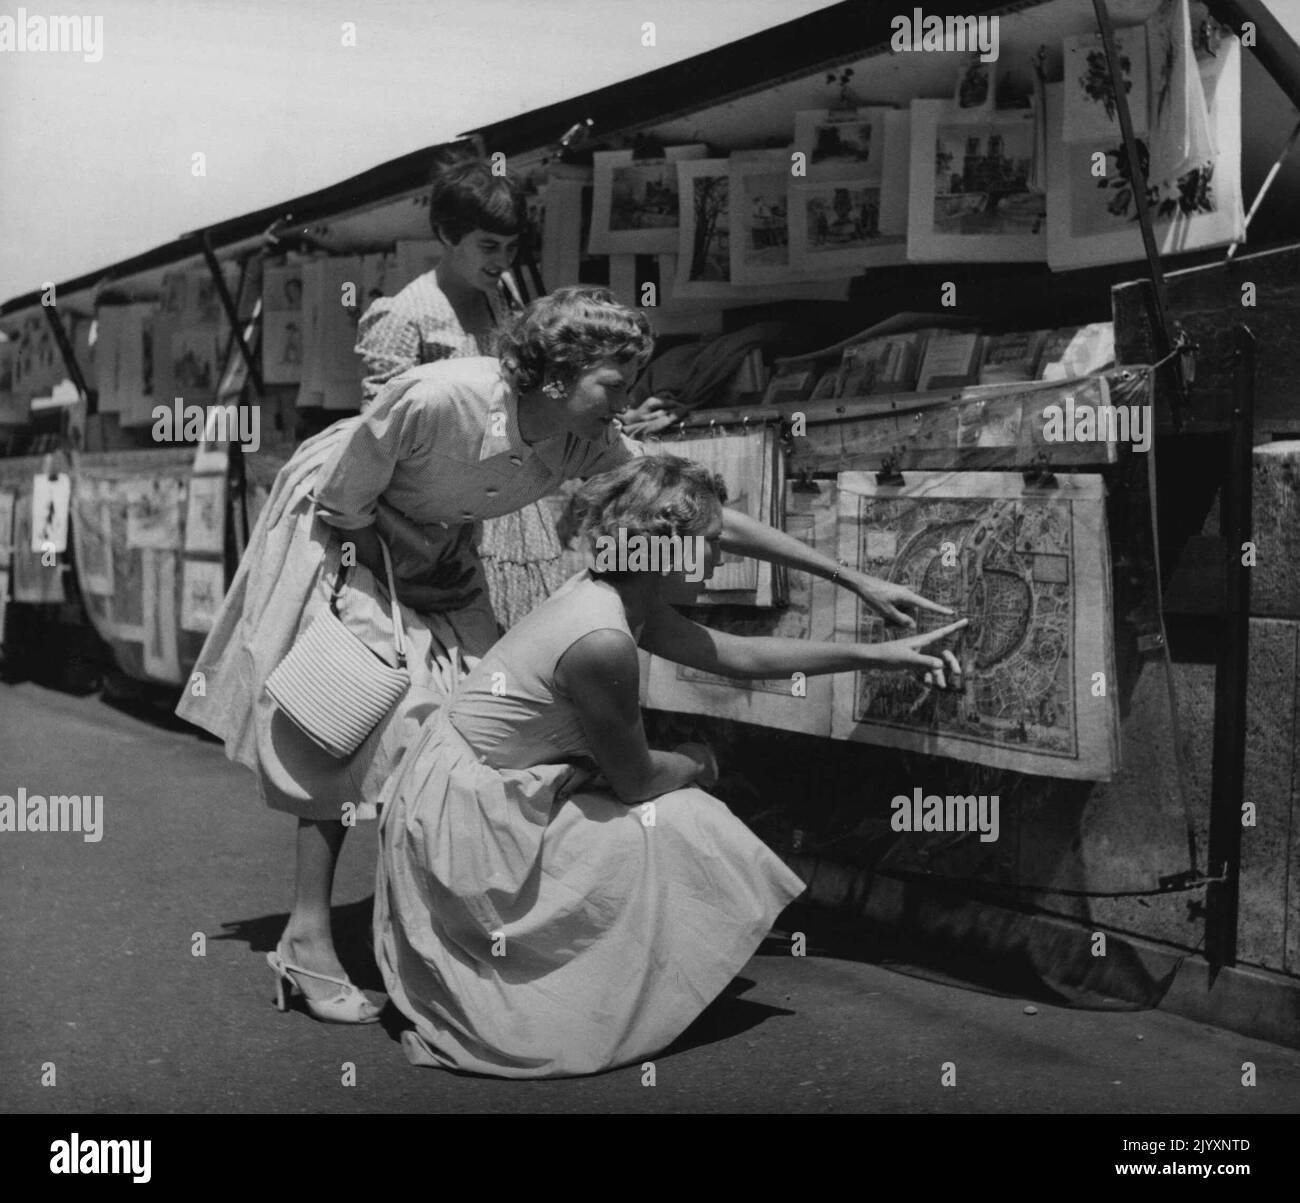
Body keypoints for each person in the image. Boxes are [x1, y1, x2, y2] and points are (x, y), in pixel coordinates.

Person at [177, 287, 948, 1026]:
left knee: (461, 738)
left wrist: (850, 576)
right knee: (349, 715)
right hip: (345, 527)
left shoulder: (589, 437)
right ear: (553, 373)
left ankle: (434, 932)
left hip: (440, 539)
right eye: (617, 381)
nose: (628, 399)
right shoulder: (438, 398)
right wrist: (377, 607)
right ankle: (308, 941)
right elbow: (345, 504)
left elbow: (706, 519)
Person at [374, 454, 967, 1077]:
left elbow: (736, 653)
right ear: (663, 551)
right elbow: (638, 782)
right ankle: (588, 993)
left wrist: (878, 653)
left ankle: (617, 980)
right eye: (707, 546)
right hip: (464, 824)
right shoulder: (601, 639)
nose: (719, 557)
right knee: (686, 819)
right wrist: (699, 760)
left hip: (485, 785)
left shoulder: (619, 587)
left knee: (679, 825)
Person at [354, 157, 562, 628]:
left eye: (511, 248)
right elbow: (377, 444)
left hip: (512, 505)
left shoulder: (501, 296)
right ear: (448, 236)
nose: (502, 261)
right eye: (488, 246)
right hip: (445, 521)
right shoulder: (404, 315)